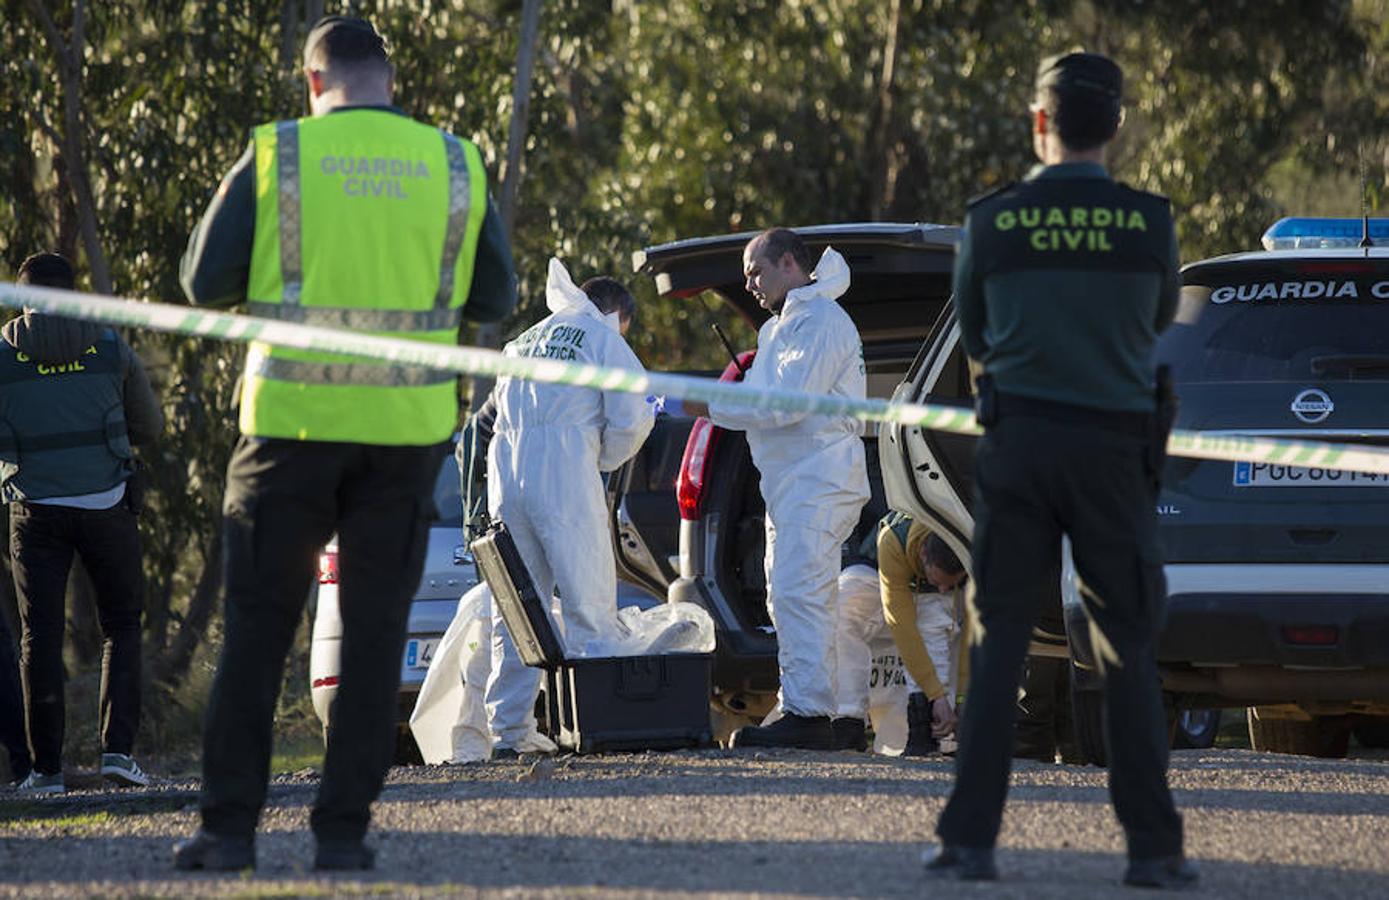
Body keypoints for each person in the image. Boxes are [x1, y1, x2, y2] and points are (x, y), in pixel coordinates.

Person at [173, 15, 516, 871]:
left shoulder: (280, 156)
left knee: (256, 633)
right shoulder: (453, 162)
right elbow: (495, 296)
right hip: (404, 441)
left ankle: (225, 835)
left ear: (312, 83)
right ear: (390, 82)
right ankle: (341, 837)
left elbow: (200, 283)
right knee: (371, 641)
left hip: (289, 432)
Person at [925, 52, 1195, 889]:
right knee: (1125, 651)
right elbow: (1154, 320)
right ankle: (1151, 851)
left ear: (1038, 124)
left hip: (1020, 447)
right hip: (1114, 451)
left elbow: (973, 332)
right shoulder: (1148, 222)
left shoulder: (993, 222)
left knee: (998, 638)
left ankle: (969, 842)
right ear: (1113, 126)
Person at [683, 228, 870, 750]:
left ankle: (810, 715)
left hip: (819, 477)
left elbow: (784, 403)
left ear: (789, 262)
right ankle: (809, 706)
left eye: (756, 271)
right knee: (790, 593)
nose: (750, 284)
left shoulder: (819, 320)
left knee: (799, 592)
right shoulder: (784, 327)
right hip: (793, 482)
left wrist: (707, 403)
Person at [1, 252, 162, 794]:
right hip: (107, 505)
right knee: (121, 625)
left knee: (38, 636)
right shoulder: (110, 343)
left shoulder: (2, 352)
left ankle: (45, 771)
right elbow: (150, 425)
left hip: (34, 511)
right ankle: (117, 752)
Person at [483, 260, 653, 757]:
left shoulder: (524, 340)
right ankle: (600, 724)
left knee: (517, 606)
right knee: (589, 599)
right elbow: (632, 417)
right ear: (616, 314)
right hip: (564, 478)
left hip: (508, 480)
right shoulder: (602, 338)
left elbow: (498, 410)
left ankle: (509, 733)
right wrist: (597, 459)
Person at [834, 513, 969, 754]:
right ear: (923, 555)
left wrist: (961, 700)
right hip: (879, 573)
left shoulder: (972, 545)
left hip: (936, 587)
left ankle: (937, 733)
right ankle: (847, 719)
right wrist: (934, 693)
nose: (942, 588)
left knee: (943, 623)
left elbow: (972, 634)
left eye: (949, 584)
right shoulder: (892, 540)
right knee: (844, 605)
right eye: (938, 581)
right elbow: (902, 625)